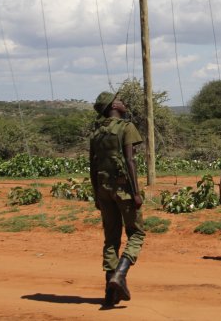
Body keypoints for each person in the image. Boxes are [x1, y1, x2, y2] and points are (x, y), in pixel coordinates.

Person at [89, 91, 145, 307]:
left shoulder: (96, 134)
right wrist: (136, 192)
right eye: (119, 100)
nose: (123, 103)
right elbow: (130, 161)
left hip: (103, 190)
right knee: (137, 233)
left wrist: (96, 195)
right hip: (124, 190)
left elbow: (93, 167)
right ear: (113, 105)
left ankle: (109, 295)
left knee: (111, 239)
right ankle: (119, 275)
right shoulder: (126, 127)